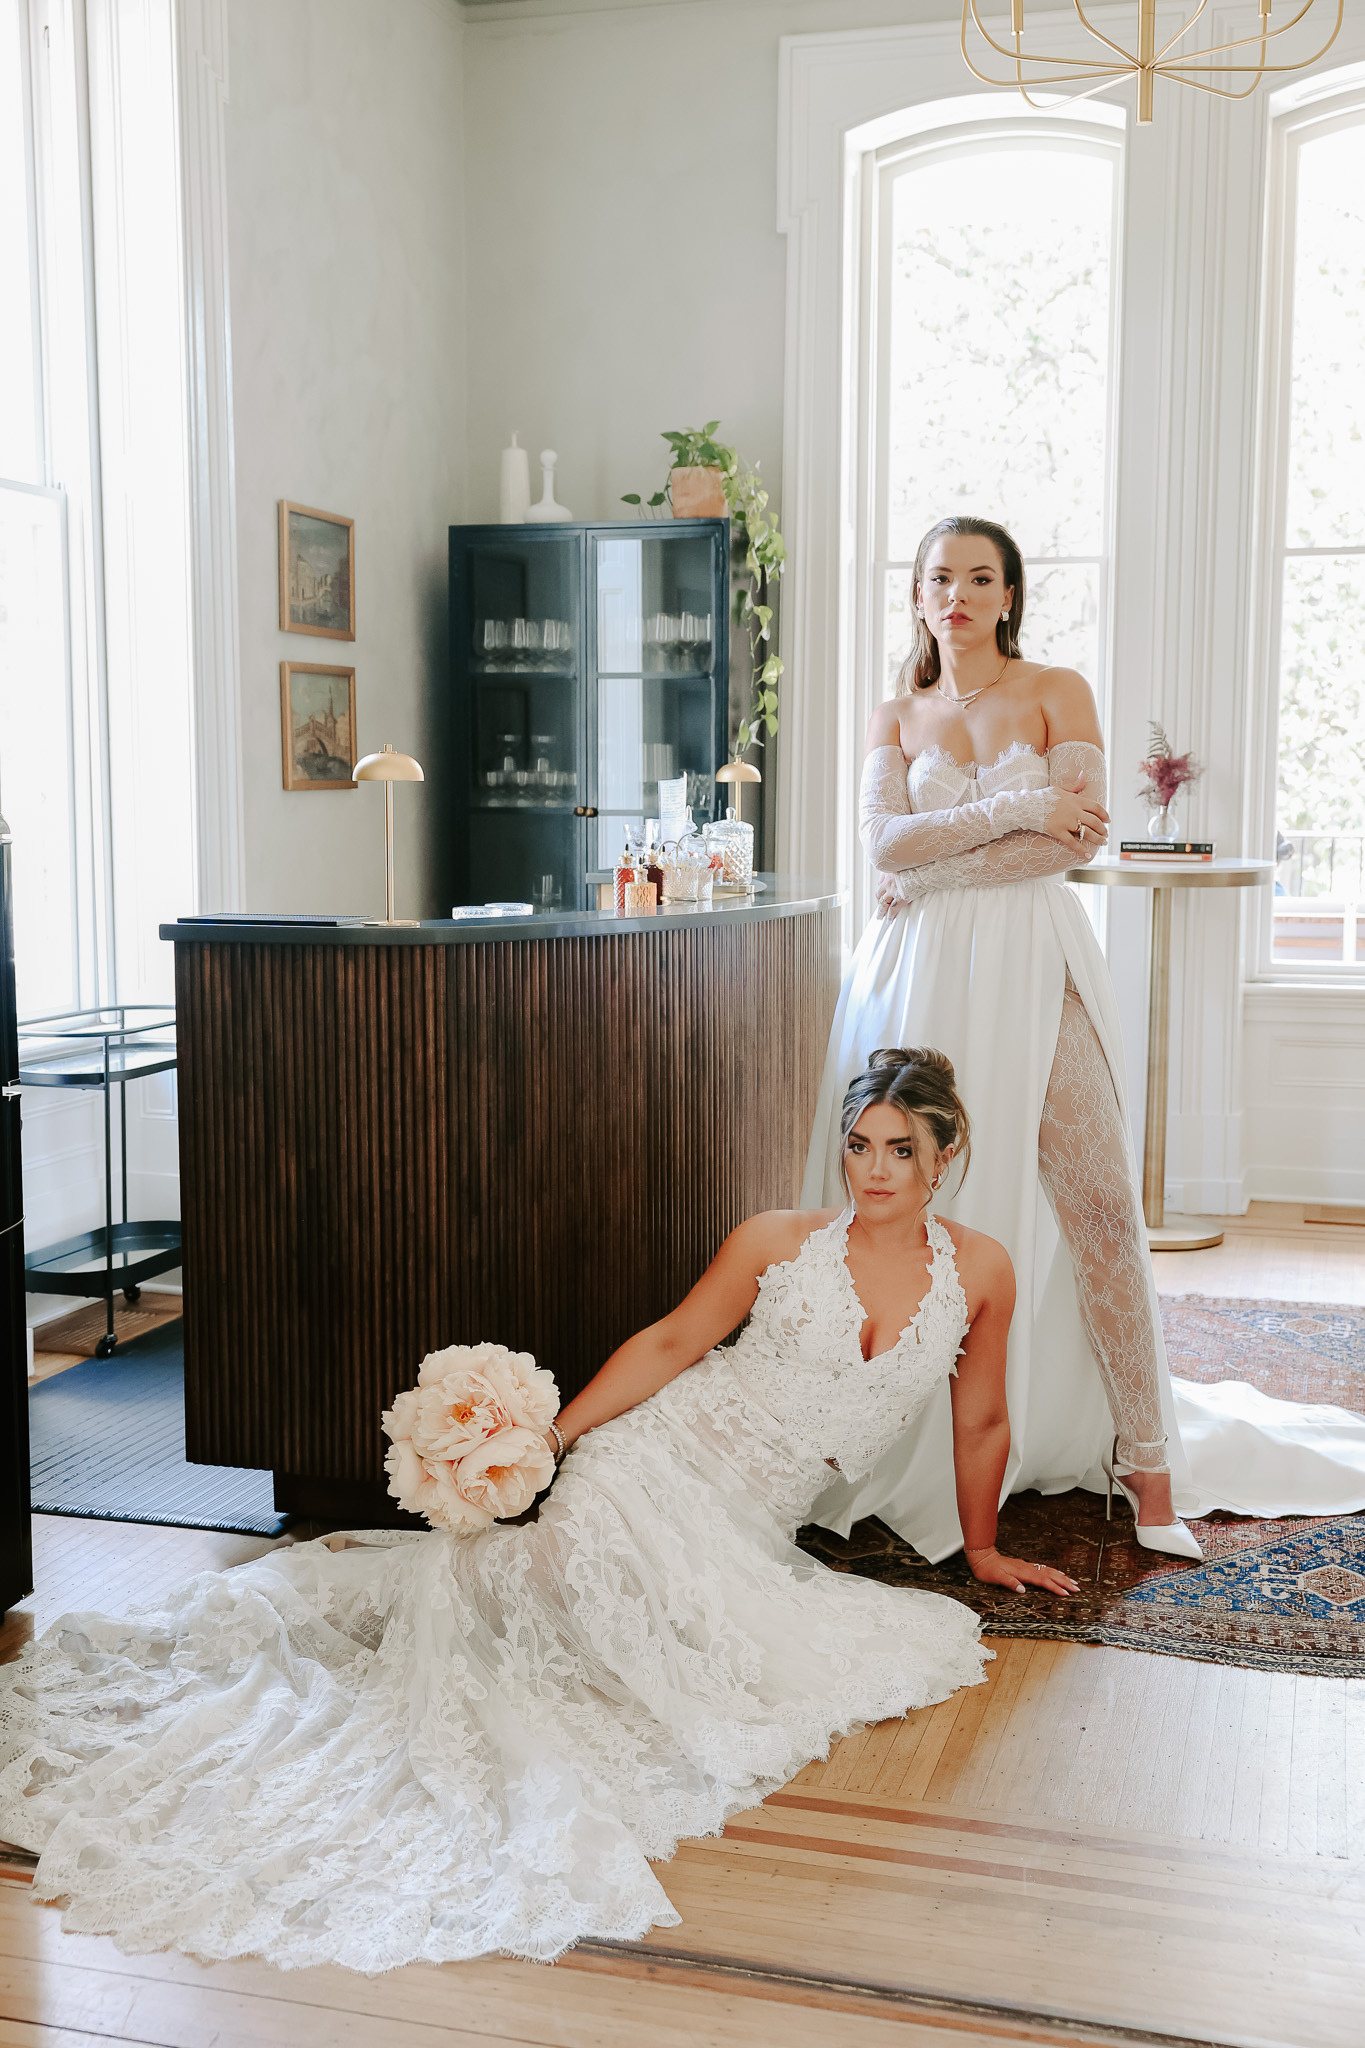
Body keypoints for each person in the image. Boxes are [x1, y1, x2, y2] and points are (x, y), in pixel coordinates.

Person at [0, 1049, 1075, 1975]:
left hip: (751, 1512)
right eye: (859, 1144)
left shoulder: (980, 1271)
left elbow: (979, 1421)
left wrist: (982, 1547)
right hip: (658, 1452)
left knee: (683, 1650)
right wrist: (555, 1439)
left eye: (899, 1149)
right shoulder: (777, 1238)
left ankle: (421, 1578)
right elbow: (669, 1344)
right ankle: (422, 1588)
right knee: (567, 1570)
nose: (875, 1169)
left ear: (945, 1159)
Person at [803, 514, 1365, 1566]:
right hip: (918, 972)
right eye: (940, 577)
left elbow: (1070, 839)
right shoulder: (895, 711)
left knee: (1101, 1199)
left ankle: (1147, 1466)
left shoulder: (1059, 687)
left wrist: (931, 859)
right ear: (918, 596)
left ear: (1010, 594)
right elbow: (884, 840)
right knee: (920, 1210)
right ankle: (906, 1434)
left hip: (1036, 959)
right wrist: (1016, 809)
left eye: (981, 577)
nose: (959, 594)